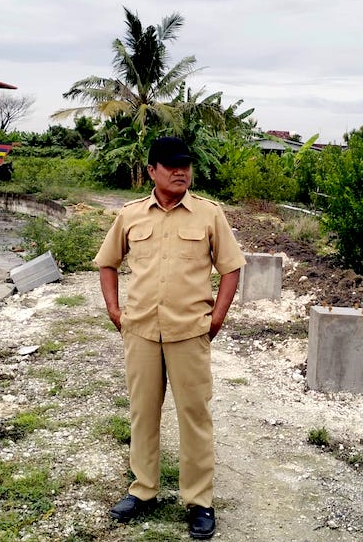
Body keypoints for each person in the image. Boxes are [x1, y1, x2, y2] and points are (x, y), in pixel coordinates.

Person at [93, 136, 246, 540]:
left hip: (189, 332)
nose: (181, 171)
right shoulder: (130, 216)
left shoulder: (209, 215)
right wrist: (114, 309)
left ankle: (199, 502)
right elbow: (107, 262)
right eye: (171, 165)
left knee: (194, 416)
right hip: (141, 330)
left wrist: (217, 317)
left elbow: (231, 267)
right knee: (143, 413)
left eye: (186, 165)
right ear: (152, 171)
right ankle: (143, 491)